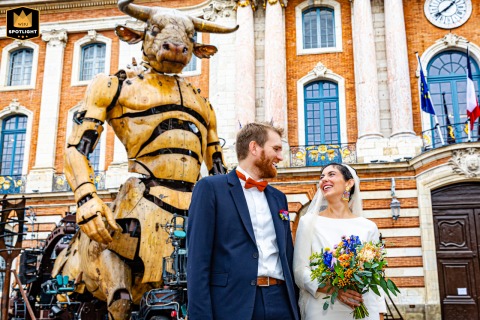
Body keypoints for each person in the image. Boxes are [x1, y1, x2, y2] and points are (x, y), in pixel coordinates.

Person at [187, 122, 300, 320]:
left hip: (281, 302)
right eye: (276, 149)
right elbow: (198, 261)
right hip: (233, 304)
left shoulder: (278, 198)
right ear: (254, 147)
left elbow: (287, 254)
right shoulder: (210, 188)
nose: (281, 157)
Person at [293, 163, 386, 320]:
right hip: (324, 309)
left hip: (363, 305)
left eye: (331, 174)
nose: (324, 180)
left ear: (349, 183)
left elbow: (376, 275)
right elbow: (299, 271)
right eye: (322, 177)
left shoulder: (369, 227)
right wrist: (333, 289)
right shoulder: (308, 222)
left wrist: (380, 313)